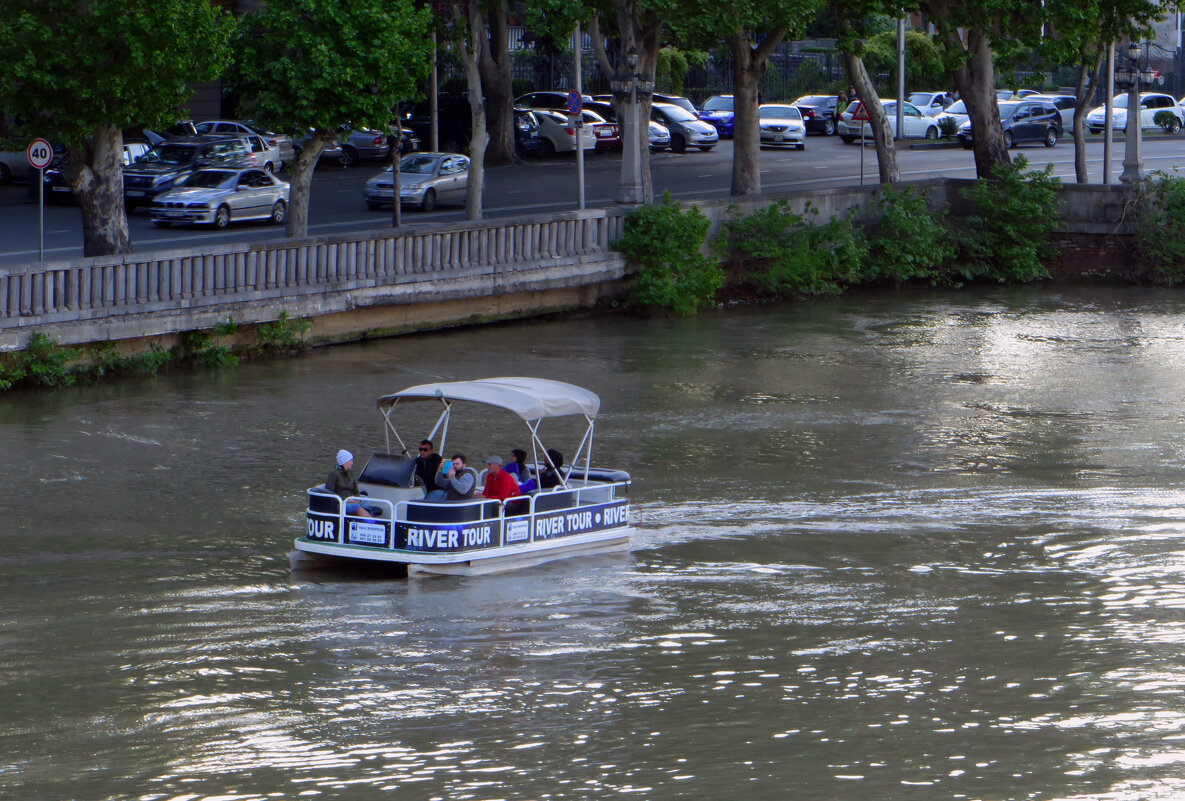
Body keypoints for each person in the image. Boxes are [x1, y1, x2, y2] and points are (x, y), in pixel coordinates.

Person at [326, 449, 371, 517]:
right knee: (355, 507)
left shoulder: (350, 473)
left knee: (366, 501)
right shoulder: (334, 474)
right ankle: (371, 522)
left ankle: (363, 519)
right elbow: (330, 493)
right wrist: (347, 500)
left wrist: (357, 498)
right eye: (350, 461)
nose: (352, 463)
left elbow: (356, 490)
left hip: (351, 499)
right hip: (341, 502)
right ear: (345, 461)